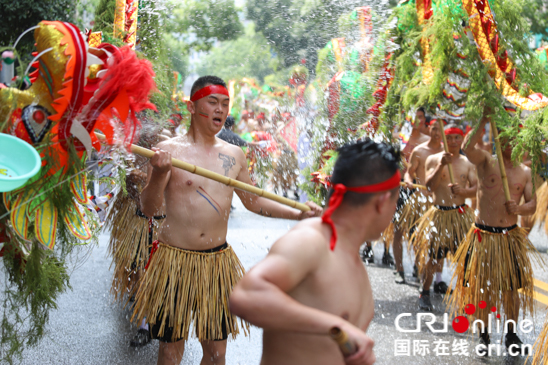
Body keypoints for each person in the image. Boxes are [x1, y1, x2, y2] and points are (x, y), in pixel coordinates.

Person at [132, 75, 321, 365]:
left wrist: (298, 213)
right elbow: (149, 208)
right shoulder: (169, 152)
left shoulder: (234, 155)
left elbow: (254, 201)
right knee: (170, 352)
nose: (221, 110)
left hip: (216, 265)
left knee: (217, 354)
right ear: (192, 107)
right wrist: (158, 174)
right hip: (173, 264)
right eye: (213, 102)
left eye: (225, 104)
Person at [230, 138, 401, 365]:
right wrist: (336, 327)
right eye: (397, 202)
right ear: (383, 202)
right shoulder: (311, 240)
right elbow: (246, 296)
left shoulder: (351, 257)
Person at [449, 113, 543, 354]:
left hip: (509, 237)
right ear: (498, 142)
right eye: (505, 140)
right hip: (483, 235)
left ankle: (511, 335)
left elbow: (532, 204)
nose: (510, 145)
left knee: (511, 290)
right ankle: (484, 335)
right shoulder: (485, 162)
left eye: (514, 141)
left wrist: (519, 208)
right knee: (483, 288)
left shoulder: (524, 172)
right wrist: (484, 119)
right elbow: (467, 147)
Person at [411, 124, 477, 311]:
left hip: (460, 215)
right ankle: (424, 293)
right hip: (439, 214)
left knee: (465, 258)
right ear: (444, 140)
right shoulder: (433, 160)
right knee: (433, 257)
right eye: (450, 138)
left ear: (461, 139)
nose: (453, 141)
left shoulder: (467, 162)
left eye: (457, 137)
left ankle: (464, 296)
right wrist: (441, 165)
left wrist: (463, 190)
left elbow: (476, 189)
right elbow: (429, 186)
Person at [393, 118, 444, 283]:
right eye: (434, 129)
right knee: (410, 234)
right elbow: (410, 172)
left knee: (434, 241)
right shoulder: (419, 150)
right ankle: (401, 269)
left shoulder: (447, 154)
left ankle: (428, 275)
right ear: (429, 129)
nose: (437, 133)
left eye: (440, 130)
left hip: (437, 203)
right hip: (418, 199)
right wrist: (409, 180)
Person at [381, 108, 429, 272]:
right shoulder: (398, 139)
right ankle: (399, 269)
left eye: (420, 117)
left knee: (418, 231)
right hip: (400, 187)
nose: (416, 120)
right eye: (414, 116)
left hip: (420, 190)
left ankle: (417, 266)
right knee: (398, 230)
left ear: (423, 119)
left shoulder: (428, 141)